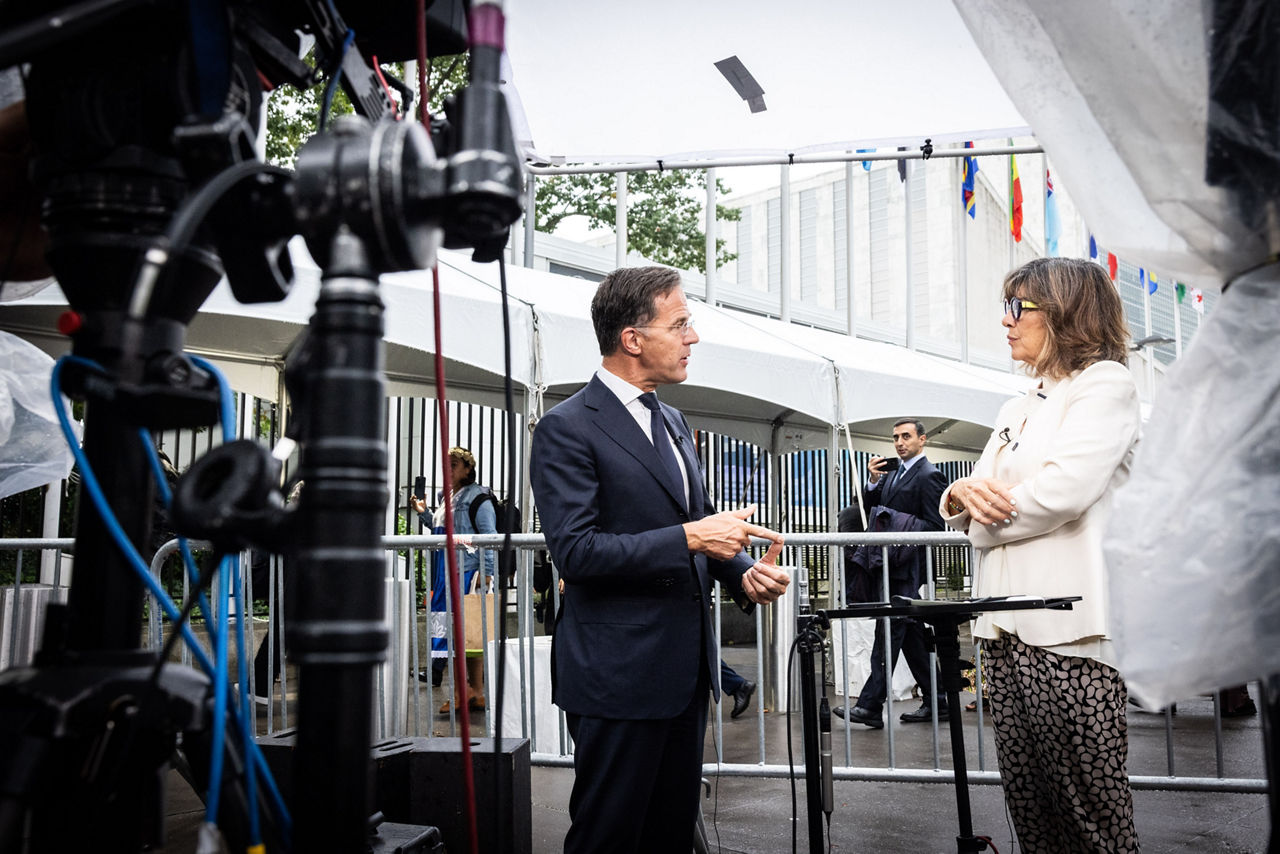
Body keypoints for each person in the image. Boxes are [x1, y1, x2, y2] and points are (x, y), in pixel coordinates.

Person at [530, 265, 790, 854]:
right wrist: (694, 538)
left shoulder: (671, 417)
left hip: (683, 672)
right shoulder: (565, 428)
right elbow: (577, 550)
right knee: (609, 835)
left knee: (670, 833)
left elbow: (695, 515)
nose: (692, 337)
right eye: (681, 325)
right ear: (632, 339)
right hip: (617, 675)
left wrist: (742, 570)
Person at [940, 257, 1140, 852]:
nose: (1005, 322)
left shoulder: (1105, 384)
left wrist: (977, 521)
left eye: (1017, 308)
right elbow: (973, 491)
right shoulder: (1017, 404)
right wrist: (956, 493)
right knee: (1032, 805)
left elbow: (1063, 493)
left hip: (1069, 631)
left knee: (1090, 812)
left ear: (1065, 312)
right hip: (1003, 627)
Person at [833, 419, 948, 728]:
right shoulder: (892, 473)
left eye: (906, 436)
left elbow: (936, 527)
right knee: (907, 633)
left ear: (922, 440)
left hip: (907, 567)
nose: (899, 442)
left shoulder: (930, 476)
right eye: (896, 437)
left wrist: (896, 521)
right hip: (889, 566)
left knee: (889, 631)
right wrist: (872, 482)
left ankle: (870, 704)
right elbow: (869, 510)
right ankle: (938, 700)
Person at [411, 446, 496, 714]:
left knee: (462, 634)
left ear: (468, 468)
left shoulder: (477, 496)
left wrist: (488, 570)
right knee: (467, 634)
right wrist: (424, 512)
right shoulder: (450, 496)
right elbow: (443, 529)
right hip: (450, 573)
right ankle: (474, 692)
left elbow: (489, 535)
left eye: (454, 465)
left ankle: (464, 692)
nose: (448, 470)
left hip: (466, 572)